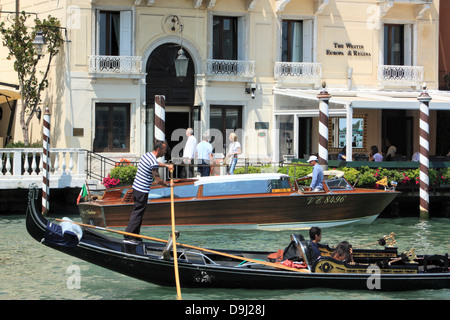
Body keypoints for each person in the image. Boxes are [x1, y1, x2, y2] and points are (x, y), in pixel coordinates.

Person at [124, 140, 174, 244]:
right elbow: (158, 181)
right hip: (142, 190)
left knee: (139, 212)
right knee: (138, 213)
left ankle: (135, 235)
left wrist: (166, 166)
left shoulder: (147, 155)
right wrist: (169, 185)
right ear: (159, 149)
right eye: (164, 150)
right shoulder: (153, 161)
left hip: (137, 188)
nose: (165, 152)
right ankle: (129, 236)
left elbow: (155, 164)